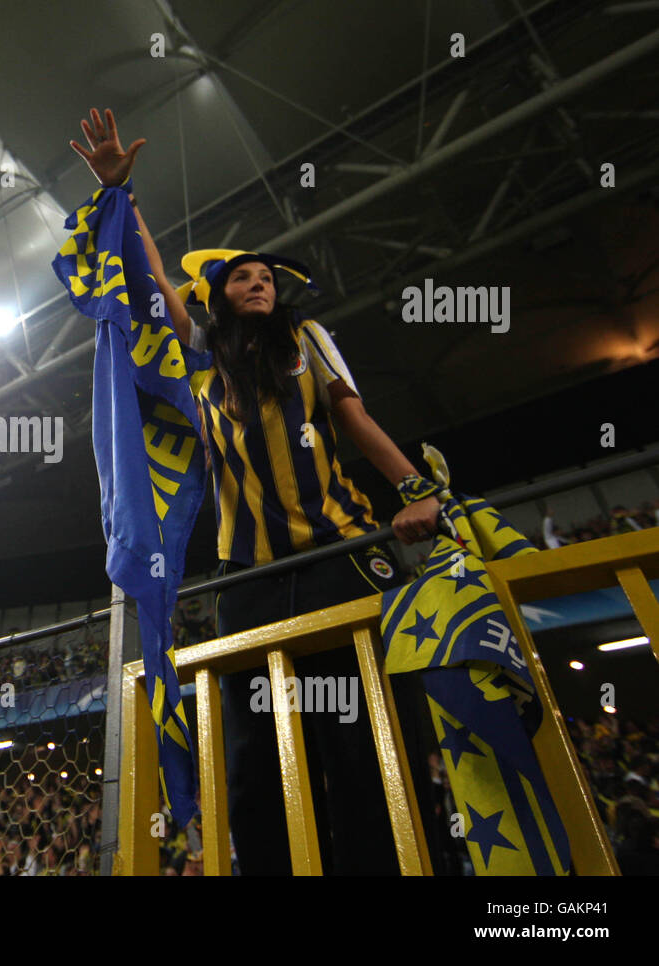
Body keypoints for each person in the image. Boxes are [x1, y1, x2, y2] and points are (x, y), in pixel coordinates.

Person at [70, 108, 440, 874]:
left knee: (362, 744)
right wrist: (122, 195)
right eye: (242, 277)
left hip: (340, 557)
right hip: (252, 582)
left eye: (267, 277)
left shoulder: (307, 343)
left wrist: (418, 488)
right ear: (219, 296)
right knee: (258, 760)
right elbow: (154, 288)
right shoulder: (202, 368)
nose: (258, 284)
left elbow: (357, 419)